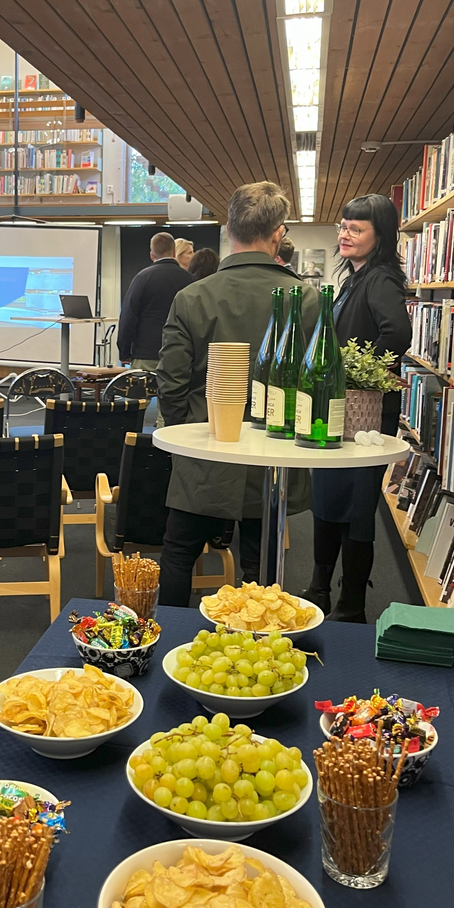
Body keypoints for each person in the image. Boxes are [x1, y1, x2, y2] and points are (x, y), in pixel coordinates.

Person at [157, 182, 318, 607]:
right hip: (275, 455)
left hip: (205, 448)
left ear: (228, 227)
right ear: (279, 233)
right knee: (261, 567)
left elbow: (170, 382)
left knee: (178, 553)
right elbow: (314, 384)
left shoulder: (191, 297)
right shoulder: (308, 300)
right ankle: (255, 652)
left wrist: (186, 439)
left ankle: (167, 647)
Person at [301, 194, 412, 622]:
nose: (345, 234)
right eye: (343, 226)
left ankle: (350, 604)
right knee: (331, 501)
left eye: (357, 228)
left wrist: (362, 374)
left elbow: (397, 333)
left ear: (379, 236)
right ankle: (319, 588)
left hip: (363, 416)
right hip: (341, 413)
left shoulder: (380, 278)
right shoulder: (354, 277)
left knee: (356, 510)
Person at [117, 231, 194, 373]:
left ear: (152, 255)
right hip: (178, 354)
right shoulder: (190, 280)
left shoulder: (142, 278)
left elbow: (128, 317)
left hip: (145, 354)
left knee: (139, 394)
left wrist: (124, 351)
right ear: (174, 252)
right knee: (174, 394)